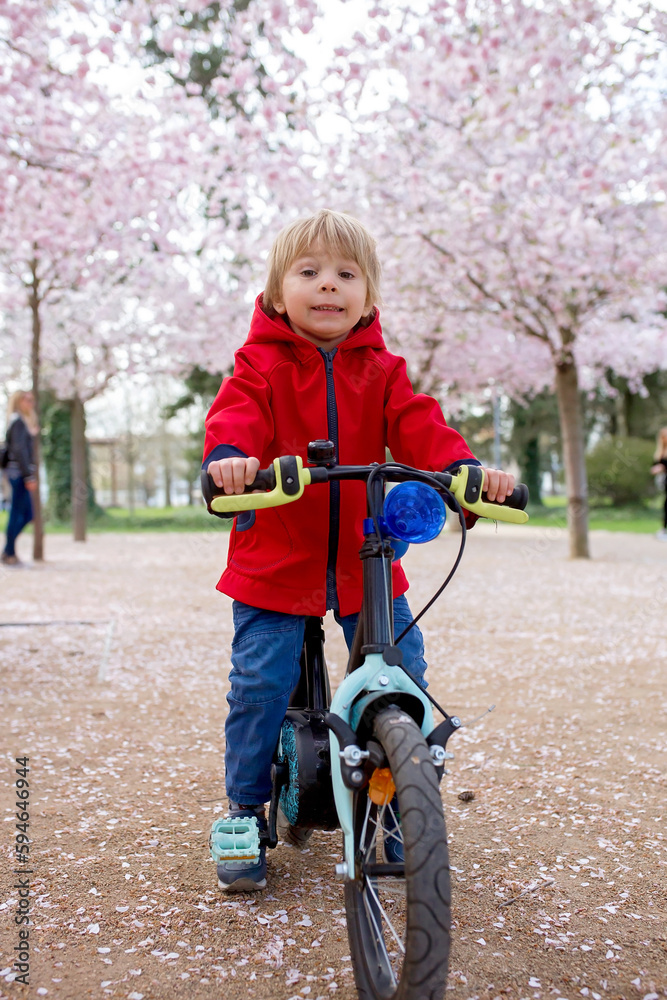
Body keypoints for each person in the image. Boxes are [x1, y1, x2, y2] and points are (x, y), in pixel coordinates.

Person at [203, 209, 514, 892]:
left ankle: (398, 792)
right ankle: (243, 810)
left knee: (405, 669)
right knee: (258, 681)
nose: (328, 286)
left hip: (365, 557)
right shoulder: (258, 364)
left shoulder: (383, 370)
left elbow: (420, 427)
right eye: (309, 272)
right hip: (274, 559)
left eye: (346, 274)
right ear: (278, 292)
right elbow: (236, 416)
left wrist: (462, 469)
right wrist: (231, 459)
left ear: (368, 297)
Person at [2, 391, 38, 566]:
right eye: (28, 400)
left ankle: (8, 551)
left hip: (19, 474)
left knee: (23, 514)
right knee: (20, 513)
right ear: (19, 402)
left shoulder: (22, 422)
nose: (31, 403)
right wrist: (28, 476)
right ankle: (8, 552)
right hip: (19, 474)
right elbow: (20, 450)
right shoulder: (18, 422)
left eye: (33, 400)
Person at [650, 426, 667, 541]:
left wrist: (663, 467)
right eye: (663, 436)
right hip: (665, 481)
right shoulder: (660, 452)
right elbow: (655, 464)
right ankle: (664, 529)